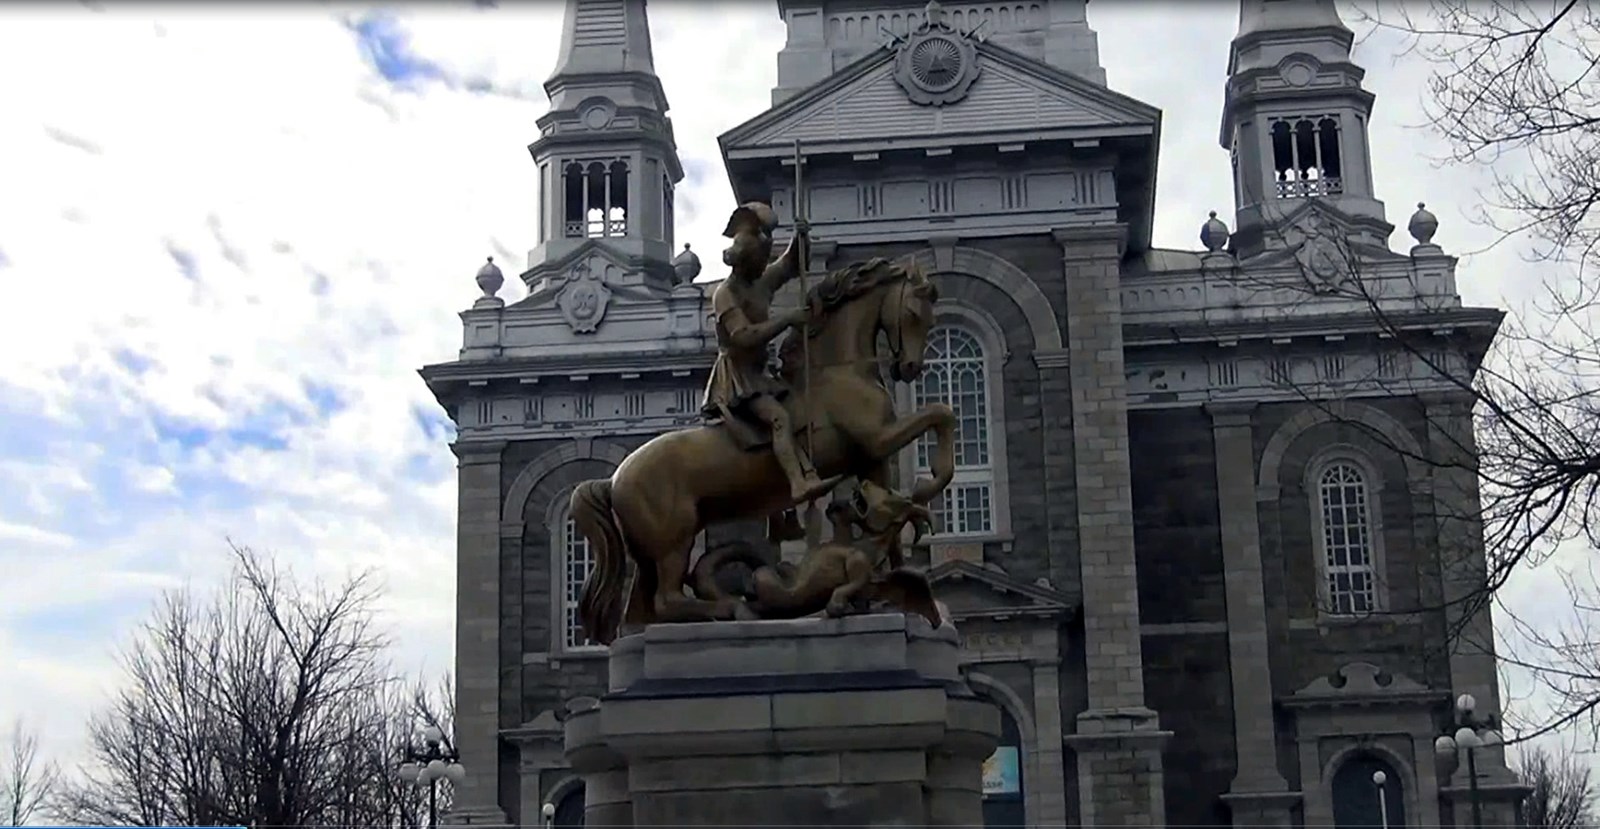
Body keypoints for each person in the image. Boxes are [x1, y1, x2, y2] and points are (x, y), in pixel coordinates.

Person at [702, 201, 827, 505]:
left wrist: (800, 238)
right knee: (779, 419)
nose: (764, 265)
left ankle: (802, 478)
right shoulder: (725, 294)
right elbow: (743, 336)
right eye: (761, 259)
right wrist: (787, 319)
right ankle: (797, 483)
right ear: (746, 260)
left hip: (759, 373)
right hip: (737, 378)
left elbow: (791, 265)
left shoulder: (761, 282)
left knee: (800, 408)